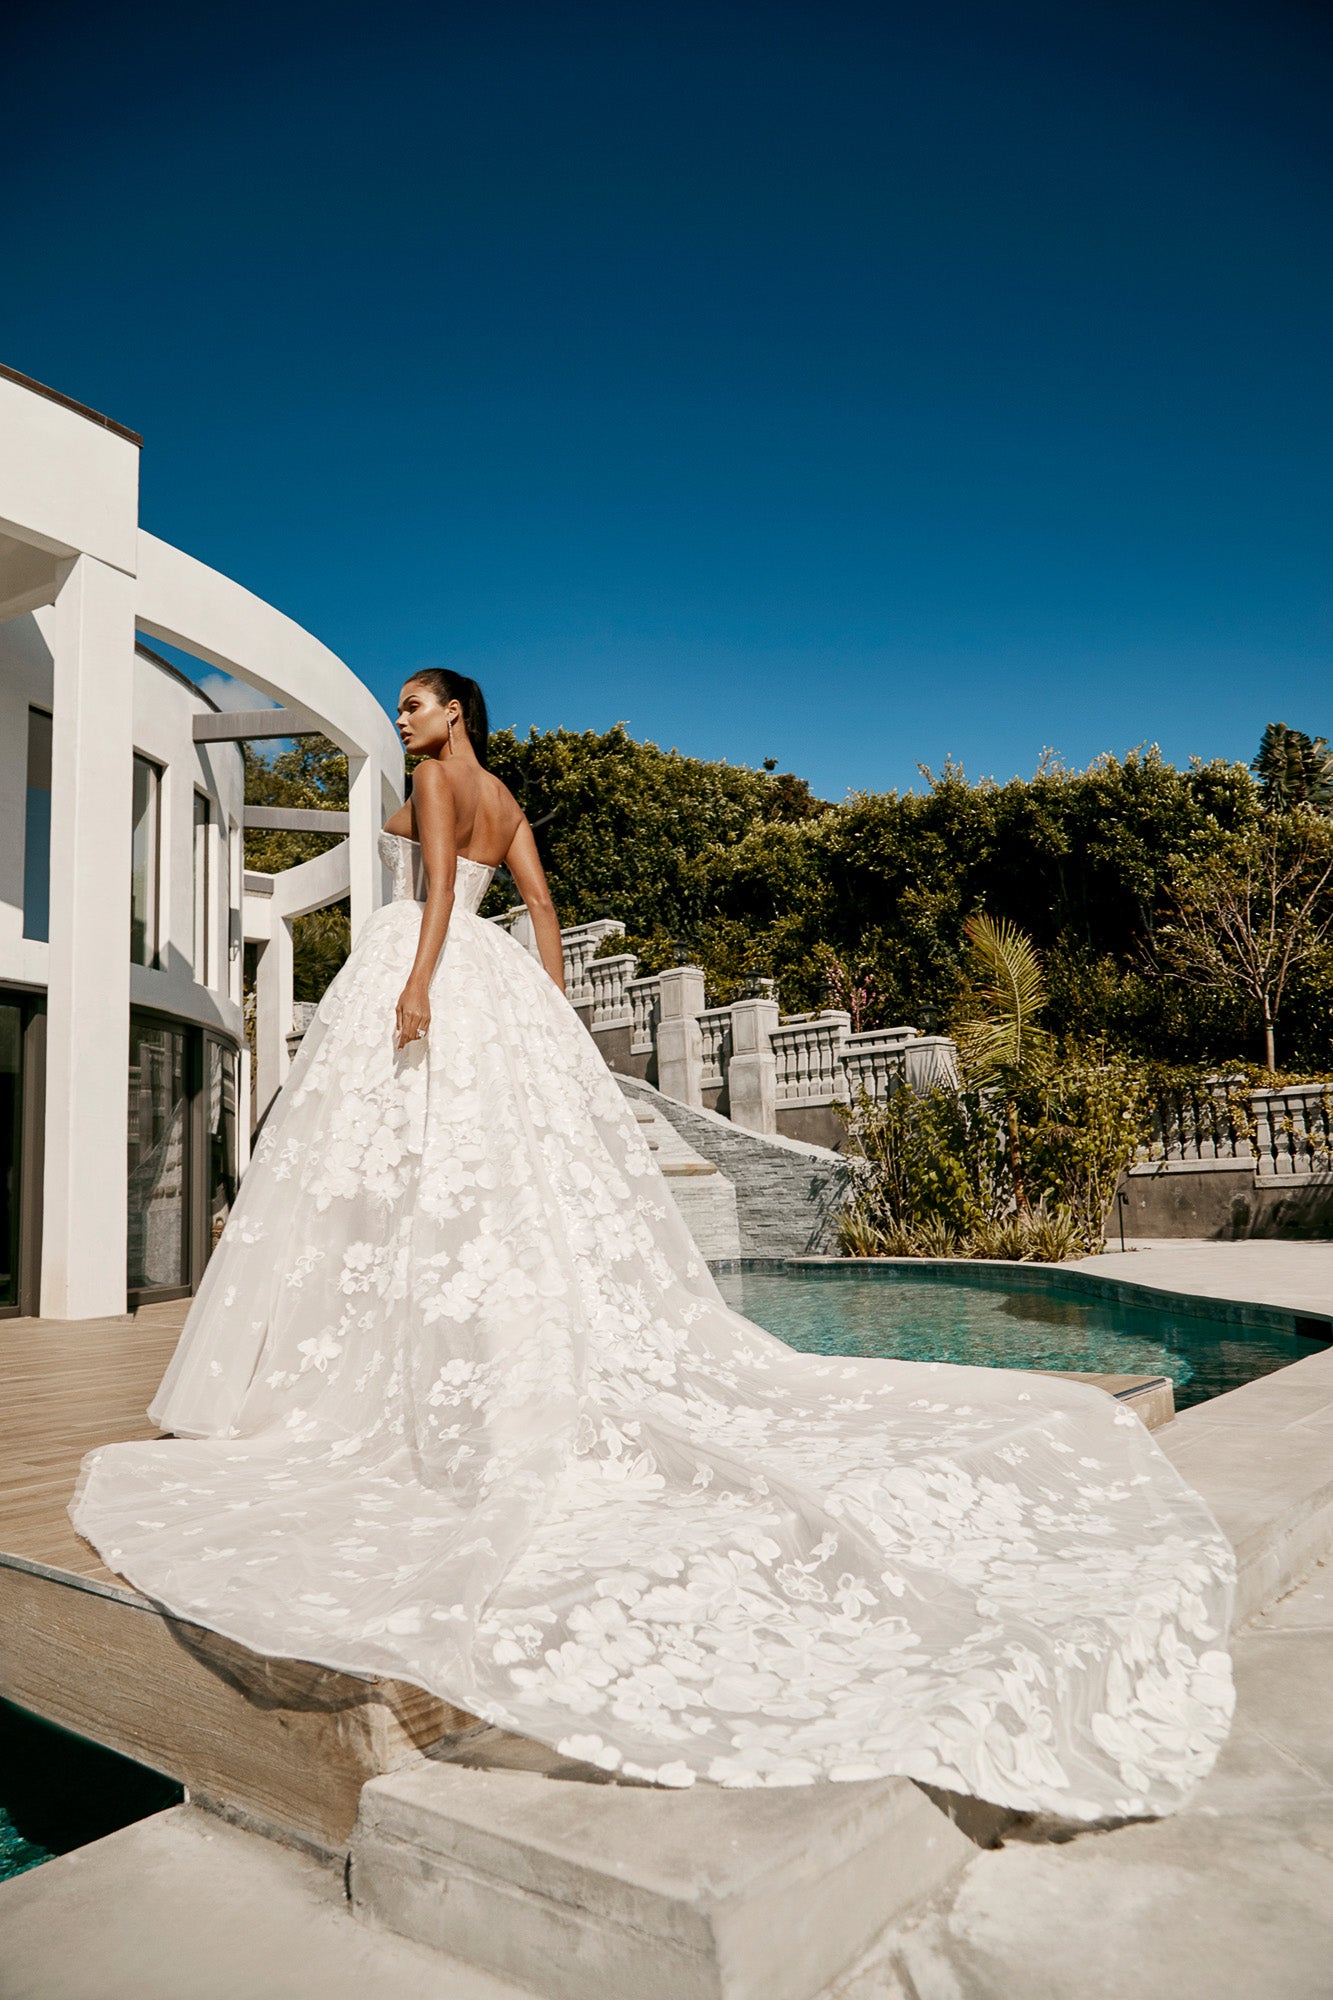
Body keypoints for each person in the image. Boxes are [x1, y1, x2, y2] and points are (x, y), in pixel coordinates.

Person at [71, 672, 1235, 1818]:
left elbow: (428, 892)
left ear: (453, 712)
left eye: (416, 705)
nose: (403, 719)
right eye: (402, 711)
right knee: (473, 1185)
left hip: (425, 967)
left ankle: (338, 1371)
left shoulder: (434, 782)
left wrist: (420, 984)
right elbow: (537, 912)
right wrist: (541, 1004)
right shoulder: (505, 797)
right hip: (494, 981)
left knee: (388, 1176)